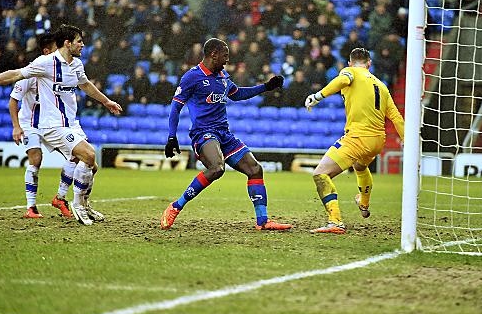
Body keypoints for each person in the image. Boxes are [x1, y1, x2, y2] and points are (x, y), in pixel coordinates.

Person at [0, 24, 123, 225]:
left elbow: (85, 85)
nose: (82, 45)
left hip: (71, 124)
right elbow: (15, 74)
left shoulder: (76, 65)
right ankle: (75, 205)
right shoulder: (45, 62)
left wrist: (106, 101)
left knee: (92, 166)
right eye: (79, 41)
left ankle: (83, 204)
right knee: (88, 154)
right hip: (52, 126)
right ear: (67, 43)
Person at [161, 37, 292, 231]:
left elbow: (237, 94)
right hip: (203, 133)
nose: (227, 60)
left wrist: (266, 87)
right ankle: (175, 206)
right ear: (213, 54)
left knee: (255, 169)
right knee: (216, 168)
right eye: (225, 55)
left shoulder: (222, 76)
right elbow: (175, 107)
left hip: (224, 134)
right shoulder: (192, 76)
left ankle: (262, 221)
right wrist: (172, 136)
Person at [304, 48, 404, 234]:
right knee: (360, 167)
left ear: (350, 63)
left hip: (358, 137)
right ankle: (364, 203)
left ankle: (335, 222)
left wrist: (317, 97)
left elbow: (343, 80)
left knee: (321, 174)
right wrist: (406, 140)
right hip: (377, 141)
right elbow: (396, 117)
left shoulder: (349, 72)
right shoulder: (381, 86)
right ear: (369, 64)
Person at [8, 32, 76, 219]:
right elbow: (13, 100)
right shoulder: (31, 72)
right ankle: (31, 207)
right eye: (57, 48)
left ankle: (60, 197)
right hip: (31, 124)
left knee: (75, 156)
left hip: (52, 123)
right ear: (47, 51)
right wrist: (16, 126)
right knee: (36, 159)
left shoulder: (59, 70)